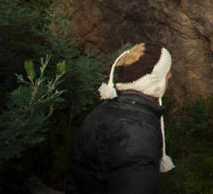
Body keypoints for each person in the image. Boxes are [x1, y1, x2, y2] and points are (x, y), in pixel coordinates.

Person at [67, 43, 175, 193]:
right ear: (156, 82)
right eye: (166, 73)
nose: (170, 76)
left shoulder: (102, 111)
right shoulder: (137, 131)